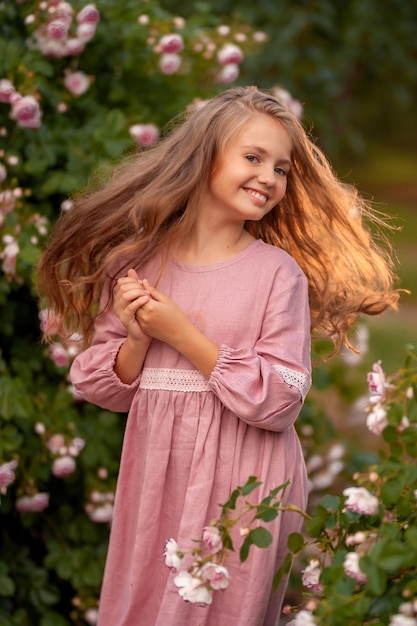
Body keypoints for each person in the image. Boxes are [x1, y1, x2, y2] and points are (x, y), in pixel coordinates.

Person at [37, 86, 400, 626]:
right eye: (253, 157)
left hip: (245, 478)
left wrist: (182, 334)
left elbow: (279, 401)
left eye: (281, 168)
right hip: (158, 471)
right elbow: (99, 386)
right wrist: (138, 338)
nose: (269, 177)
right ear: (204, 157)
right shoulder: (137, 264)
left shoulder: (277, 274)